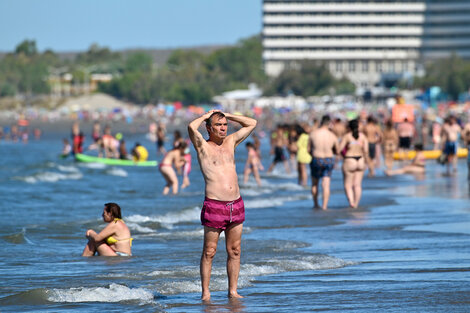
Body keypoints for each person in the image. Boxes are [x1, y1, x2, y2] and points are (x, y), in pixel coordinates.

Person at [188, 110, 256, 300]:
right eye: (218, 125)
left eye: (225, 124)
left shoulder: (231, 142)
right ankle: (206, 293)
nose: (223, 128)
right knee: (209, 251)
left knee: (235, 250)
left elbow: (252, 123)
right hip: (214, 205)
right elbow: (191, 127)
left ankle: (232, 291)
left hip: (236, 204)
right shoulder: (202, 145)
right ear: (209, 128)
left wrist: (228, 115)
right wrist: (207, 115)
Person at [308, 115, 339, 210]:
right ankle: (325, 206)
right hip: (328, 159)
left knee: (315, 183)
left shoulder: (313, 134)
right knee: (326, 184)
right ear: (329, 124)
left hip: (317, 158)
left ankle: (316, 204)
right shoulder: (332, 135)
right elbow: (337, 151)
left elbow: (308, 149)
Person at [339, 119, 369, 209]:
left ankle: (351, 202)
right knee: (357, 185)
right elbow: (366, 151)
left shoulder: (347, 136)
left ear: (349, 127)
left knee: (348, 184)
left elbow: (339, 149)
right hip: (360, 160)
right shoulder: (363, 137)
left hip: (349, 159)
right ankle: (356, 204)